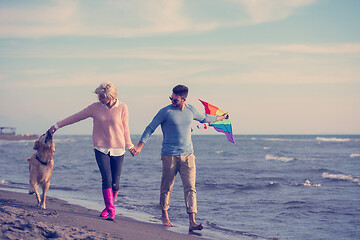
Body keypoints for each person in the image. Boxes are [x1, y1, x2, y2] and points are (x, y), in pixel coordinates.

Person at [130, 85, 228, 232]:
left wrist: (221, 117)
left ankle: (192, 222)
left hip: (188, 155)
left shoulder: (191, 110)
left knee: (190, 188)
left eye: (175, 99)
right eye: (172, 98)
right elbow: (150, 128)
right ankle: (164, 215)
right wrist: (139, 146)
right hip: (169, 155)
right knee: (167, 186)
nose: (172, 101)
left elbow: (204, 118)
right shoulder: (165, 112)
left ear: (184, 99)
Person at [48, 82, 134, 221]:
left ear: (111, 96)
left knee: (115, 184)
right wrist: (57, 125)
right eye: (99, 97)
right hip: (100, 148)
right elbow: (76, 116)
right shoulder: (95, 108)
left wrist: (130, 146)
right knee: (106, 179)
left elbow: (126, 128)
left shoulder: (123, 107)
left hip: (118, 148)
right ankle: (112, 212)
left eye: (102, 98)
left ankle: (107, 207)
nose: (100, 100)